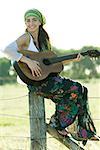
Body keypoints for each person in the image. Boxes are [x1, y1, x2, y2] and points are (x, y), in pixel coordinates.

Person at [3, 8, 99, 144]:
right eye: (28, 20)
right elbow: (6, 50)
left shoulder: (44, 42)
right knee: (76, 88)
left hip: (48, 80)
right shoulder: (25, 38)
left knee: (81, 90)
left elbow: (52, 64)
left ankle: (74, 128)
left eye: (34, 20)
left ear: (40, 22)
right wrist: (28, 61)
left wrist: (75, 59)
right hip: (37, 83)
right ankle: (62, 125)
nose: (30, 23)